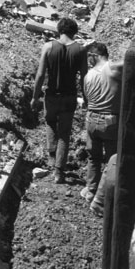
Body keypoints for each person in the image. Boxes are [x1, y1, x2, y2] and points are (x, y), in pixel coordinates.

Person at [31, 17, 91, 184]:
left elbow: (40, 74)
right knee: (64, 134)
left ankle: (52, 154)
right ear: (75, 32)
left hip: (51, 96)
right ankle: (59, 172)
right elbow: (84, 78)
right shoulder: (80, 50)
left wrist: (35, 97)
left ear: (59, 30)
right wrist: (86, 98)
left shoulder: (48, 47)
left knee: (50, 123)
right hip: (70, 97)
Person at [81, 43, 123, 203]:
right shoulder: (112, 68)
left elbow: (87, 99)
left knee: (93, 157)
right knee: (112, 160)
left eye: (89, 57)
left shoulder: (88, 75)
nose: (88, 61)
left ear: (94, 56)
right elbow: (130, 61)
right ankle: (104, 196)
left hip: (91, 119)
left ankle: (91, 190)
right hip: (110, 121)